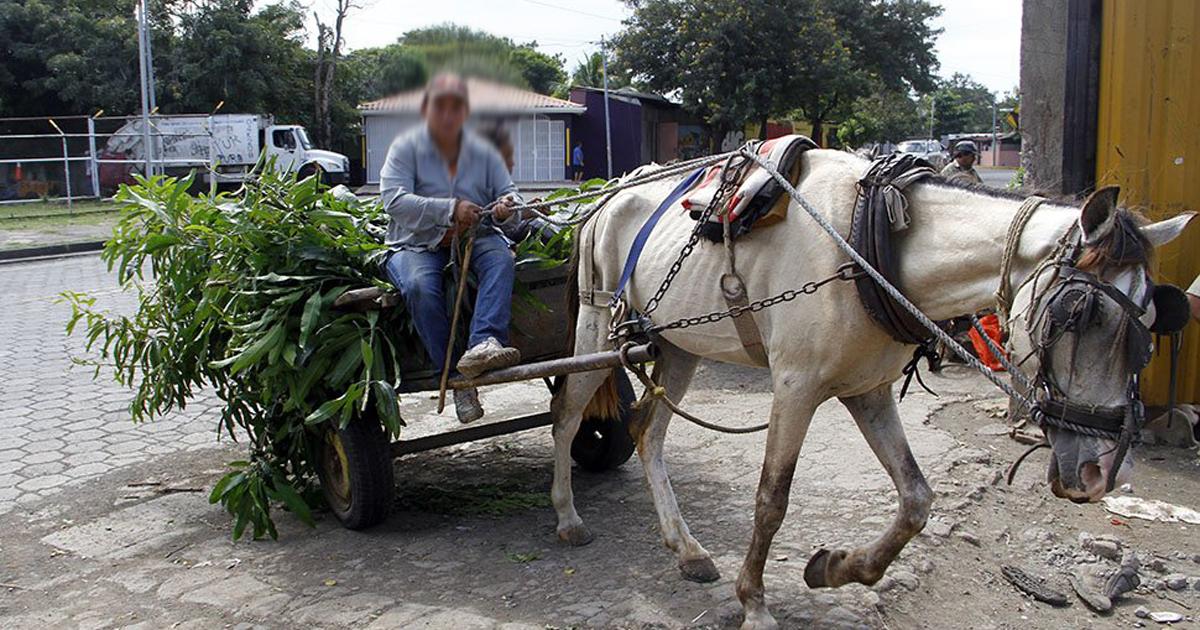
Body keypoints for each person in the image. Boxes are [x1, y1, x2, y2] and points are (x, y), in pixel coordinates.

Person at [379, 73, 522, 424]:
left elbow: (512, 196)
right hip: (416, 244)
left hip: (476, 237)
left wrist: (507, 207)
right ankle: (457, 378)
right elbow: (393, 200)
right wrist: (449, 209)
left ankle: (484, 343)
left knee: (501, 259)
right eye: (440, 106)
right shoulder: (405, 148)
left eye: (456, 107)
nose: (448, 114)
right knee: (417, 288)